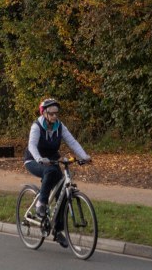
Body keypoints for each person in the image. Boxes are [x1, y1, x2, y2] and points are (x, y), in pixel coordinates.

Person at [23, 97, 92, 249]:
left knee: (62, 191)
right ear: (44, 113)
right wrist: (40, 158)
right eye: (51, 114)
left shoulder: (60, 126)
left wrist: (84, 156)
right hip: (34, 159)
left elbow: (72, 141)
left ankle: (58, 230)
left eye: (57, 114)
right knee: (49, 171)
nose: (55, 116)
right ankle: (41, 203)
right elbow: (32, 146)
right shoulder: (37, 127)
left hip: (52, 158)